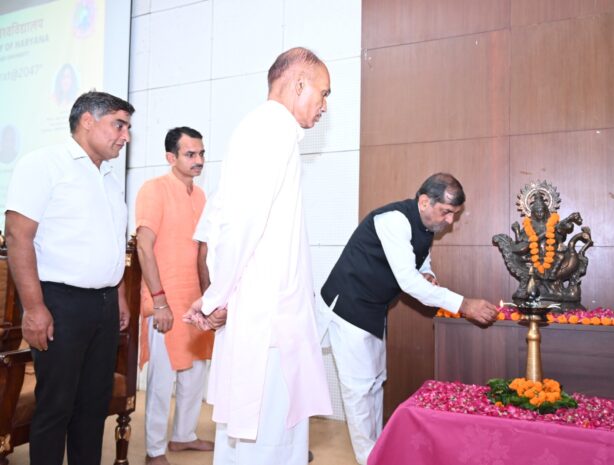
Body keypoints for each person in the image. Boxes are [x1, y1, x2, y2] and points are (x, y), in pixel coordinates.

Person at [183, 47, 332, 465]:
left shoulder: (268, 130)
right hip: (267, 321)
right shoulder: (271, 129)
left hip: (268, 316)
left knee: (267, 443)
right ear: (299, 83)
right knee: (264, 445)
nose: (324, 105)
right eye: (322, 92)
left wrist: (219, 295)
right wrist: (216, 298)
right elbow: (237, 227)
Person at [319, 172, 499, 465]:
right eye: (447, 212)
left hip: (374, 309)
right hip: (348, 307)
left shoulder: (427, 225)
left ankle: (377, 451)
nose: (450, 221)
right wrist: (463, 304)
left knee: (376, 382)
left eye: (454, 214)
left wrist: (430, 274)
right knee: (359, 390)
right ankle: (369, 459)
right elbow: (408, 282)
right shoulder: (393, 220)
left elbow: (420, 264)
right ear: (425, 201)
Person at [4, 91, 133, 465]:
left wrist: (120, 296)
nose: (125, 136)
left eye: (127, 128)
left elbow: (112, 243)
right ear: (87, 121)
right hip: (60, 303)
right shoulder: (43, 164)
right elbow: (17, 236)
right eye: (118, 125)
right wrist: (33, 308)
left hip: (105, 305)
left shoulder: (108, 177)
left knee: (93, 407)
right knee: (55, 408)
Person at [135, 127, 215, 465]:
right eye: (190, 154)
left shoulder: (200, 196)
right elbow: (143, 246)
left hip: (193, 300)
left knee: (195, 371)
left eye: (201, 154)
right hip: (163, 300)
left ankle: (183, 436)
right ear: (171, 158)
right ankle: (155, 449)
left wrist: (211, 298)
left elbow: (202, 252)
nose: (198, 161)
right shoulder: (154, 190)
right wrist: (160, 301)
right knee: (162, 379)